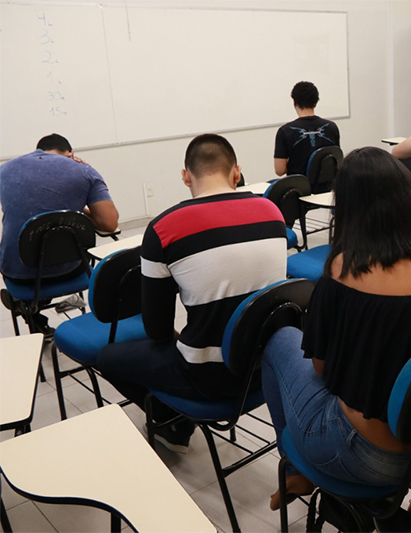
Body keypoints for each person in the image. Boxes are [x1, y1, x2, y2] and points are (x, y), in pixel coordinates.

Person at [260, 147, 411, 510]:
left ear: (348, 208)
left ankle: (293, 465)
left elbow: (321, 370)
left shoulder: (345, 271)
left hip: (370, 458)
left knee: (280, 340)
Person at [97, 134, 287, 453]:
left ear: (186, 177)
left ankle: (174, 421)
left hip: (209, 376)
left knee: (107, 357)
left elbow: (157, 331)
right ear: (236, 173)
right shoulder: (272, 211)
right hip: (267, 365)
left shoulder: (164, 229)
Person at [0, 133, 119, 333]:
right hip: (69, 271)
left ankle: (31, 310)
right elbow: (108, 223)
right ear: (70, 153)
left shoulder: (5, 170)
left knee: (28, 248)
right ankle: (40, 308)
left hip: (17, 273)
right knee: (61, 249)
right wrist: (78, 207)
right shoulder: (84, 171)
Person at [274, 81, 340, 177]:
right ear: (316, 102)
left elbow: (279, 170)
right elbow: (336, 161)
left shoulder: (285, 131)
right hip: (327, 187)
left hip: (300, 189)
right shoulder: (331, 127)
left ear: (294, 102)